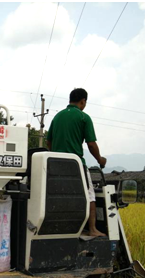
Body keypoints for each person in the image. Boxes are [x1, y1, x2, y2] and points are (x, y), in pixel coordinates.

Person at [46, 88, 107, 237]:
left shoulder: (57, 117)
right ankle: (92, 229)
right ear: (83, 101)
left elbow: (49, 141)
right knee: (90, 195)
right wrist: (100, 160)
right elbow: (91, 144)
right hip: (76, 165)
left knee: (60, 195)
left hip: (56, 165)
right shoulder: (83, 117)